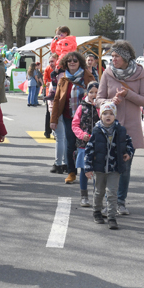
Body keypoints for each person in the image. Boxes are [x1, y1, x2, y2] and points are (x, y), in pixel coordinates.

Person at [96, 40, 144, 216]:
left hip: (131, 129)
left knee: (125, 167)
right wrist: (110, 102)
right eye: (112, 56)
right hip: (109, 129)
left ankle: (120, 201)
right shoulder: (108, 73)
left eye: (116, 56)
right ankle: (107, 202)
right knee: (107, 166)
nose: (113, 60)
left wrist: (128, 94)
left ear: (126, 57)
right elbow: (98, 99)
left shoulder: (140, 74)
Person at [84, 102, 134, 230]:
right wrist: (88, 168)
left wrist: (128, 153)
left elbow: (129, 143)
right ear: (100, 115)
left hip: (115, 167)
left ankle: (112, 217)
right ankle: (97, 212)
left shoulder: (121, 130)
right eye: (105, 113)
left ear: (115, 116)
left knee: (112, 192)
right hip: (99, 168)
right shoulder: (96, 131)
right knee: (99, 191)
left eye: (111, 114)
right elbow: (89, 150)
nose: (108, 116)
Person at [51, 51, 95, 184]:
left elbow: (95, 94)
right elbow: (57, 99)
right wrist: (53, 120)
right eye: (69, 60)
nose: (72, 62)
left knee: (86, 144)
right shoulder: (63, 79)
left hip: (86, 116)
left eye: (75, 60)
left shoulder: (88, 76)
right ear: (65, 63)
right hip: (68, 116)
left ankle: (86, 170)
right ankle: (71, 172)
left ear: (79, 62)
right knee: (70, 145)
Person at [71, 81, 100, 207]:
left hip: (99, 144)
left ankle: (97, 196)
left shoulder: (102, 107)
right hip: (83, 144)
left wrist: (98, 106)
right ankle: (84, 195)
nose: (94, 95)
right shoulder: (81, 107)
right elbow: (75, 125)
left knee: (97, 171)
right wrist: (83, 135)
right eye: (91, 92)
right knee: (83, 169)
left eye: (97, 93)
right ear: (87, 93)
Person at [43, 55, 60, 139]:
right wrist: (48, 83)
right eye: (49, 62)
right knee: (49, 113)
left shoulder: (61, 69)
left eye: (52, 61)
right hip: (50, 93)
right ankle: (47, 131)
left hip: (59, 94)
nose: (51, 63)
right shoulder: (48, 69)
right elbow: (45, 79)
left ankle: (56, 132)